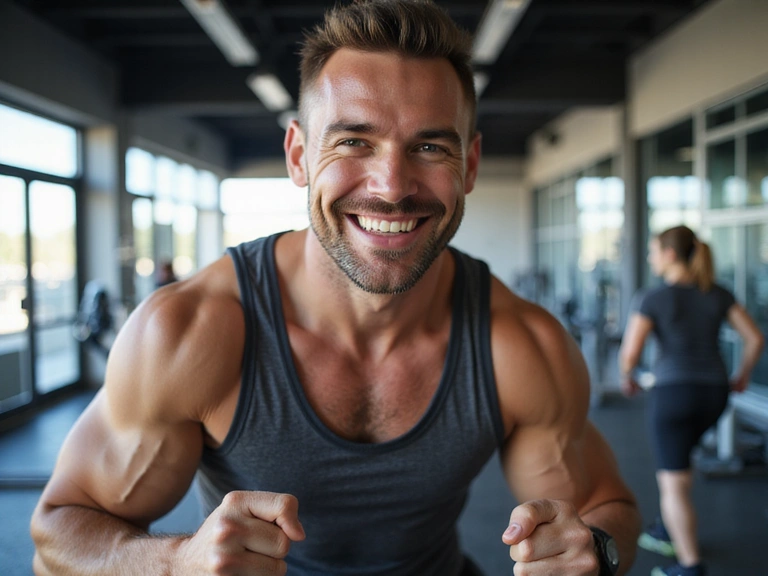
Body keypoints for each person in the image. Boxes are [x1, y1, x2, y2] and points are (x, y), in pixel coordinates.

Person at [30, 1, 641, 574]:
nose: (392, 185)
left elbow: (605, 502)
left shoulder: (522, 343)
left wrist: (598, 550)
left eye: (430, 146)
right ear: (299, 154)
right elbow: (59, 531)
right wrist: (175, 562)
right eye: (354, 141)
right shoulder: (188, 331)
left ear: (471, 166)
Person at [619, 225, 764, 576]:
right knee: (680, 465)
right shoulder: (717, 293)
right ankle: (670, 528)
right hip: (714, 394)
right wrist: (742, 374)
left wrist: (628, 378)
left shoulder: (652, 298)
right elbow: (755, 338)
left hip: (674, 394)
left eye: (654, 250)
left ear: (670, 254)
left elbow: (629, 354)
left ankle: (689, 566)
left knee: (672, 482)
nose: (651, 257)